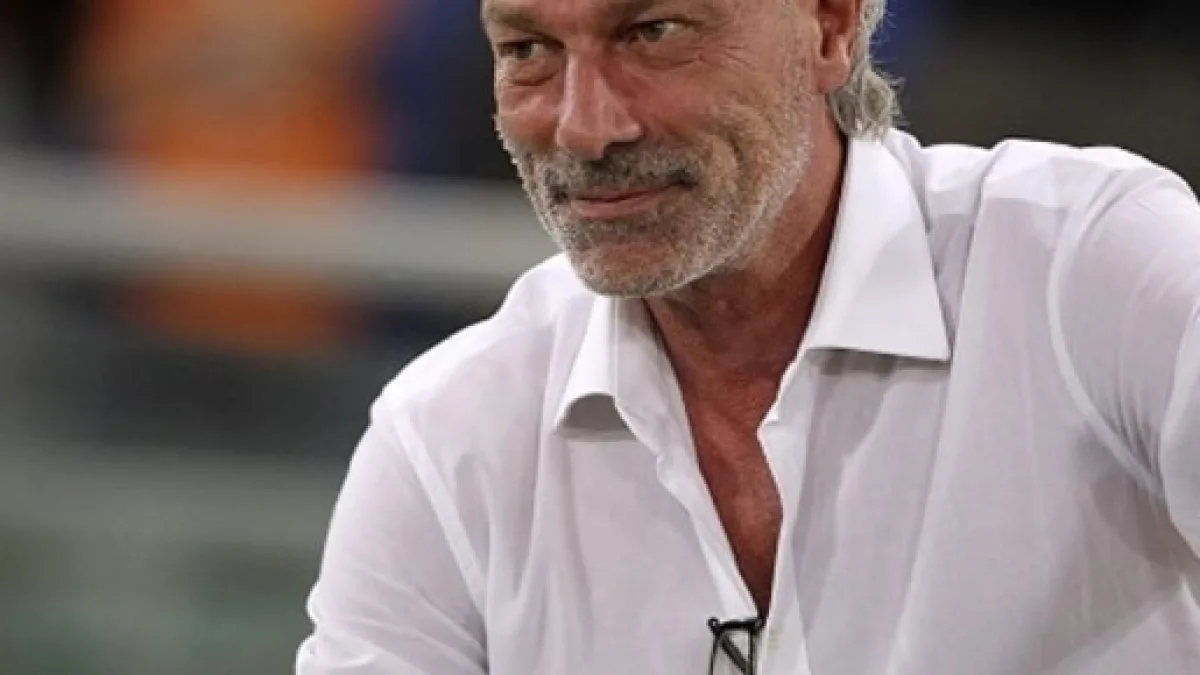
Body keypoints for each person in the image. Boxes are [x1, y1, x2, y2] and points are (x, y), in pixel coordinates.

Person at [296, 0, 1200, 673]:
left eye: (654, 33)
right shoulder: (446, 436)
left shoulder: (1093, 268)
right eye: (529, 51)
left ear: (831, 26)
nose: (585, 127)